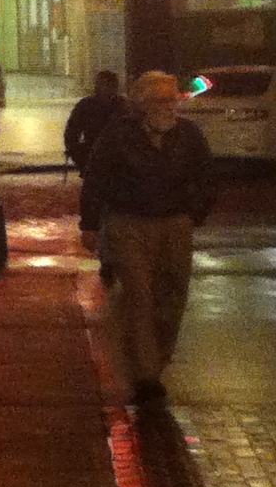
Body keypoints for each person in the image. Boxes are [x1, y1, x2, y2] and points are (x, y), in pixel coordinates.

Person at [80, 70, 216, 403]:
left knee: (172, 296)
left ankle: (158, 357)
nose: (166, 106)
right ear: (141, 104)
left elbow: (208, 177)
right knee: (138, 295)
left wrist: (194, 213)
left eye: (170, 99)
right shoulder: (118, 136)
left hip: (175, 223)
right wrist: (90, 224)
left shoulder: (189, 135)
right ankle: (146, 375)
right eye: (158, 100)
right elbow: (96, 178)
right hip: (129, 223)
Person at [64, 69, 124, 235]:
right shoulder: (86, 105)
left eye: (104, 85)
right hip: (93, 156)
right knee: (93, 194)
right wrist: (78, 156)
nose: (100, 88)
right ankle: (93, 226)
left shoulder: (122, 106)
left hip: (116, 160)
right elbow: (72, 132)